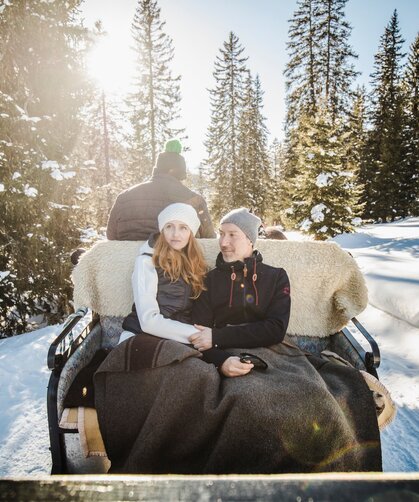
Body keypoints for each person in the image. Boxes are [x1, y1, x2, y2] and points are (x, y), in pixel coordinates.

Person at [190, 208, 291, 376]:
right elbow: (200, 335)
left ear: (249, 239)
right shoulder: (208, 280)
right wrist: (221, 361)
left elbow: (276, 329)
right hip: (225, 355)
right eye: (221, 234)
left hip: (273, 354)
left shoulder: (276, 277)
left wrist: (218, 336)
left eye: (232, 235)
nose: (223, 243)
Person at [119, 202, 208, 344]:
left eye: (183, 227)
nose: (175, 234)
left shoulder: (196, 264)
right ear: (162, 230)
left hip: (177, 340)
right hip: (140, 337)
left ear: (191, 233)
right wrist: (198, 334)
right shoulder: (146, 261)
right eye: (169, 226)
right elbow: (148, 321)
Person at [106, 139, 215, 240]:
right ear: (180, 172)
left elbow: (111, 237)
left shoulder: (124, 197)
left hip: (128, 260)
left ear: (158, 169)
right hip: (177, 260)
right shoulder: (195, 200)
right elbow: (209, 239)